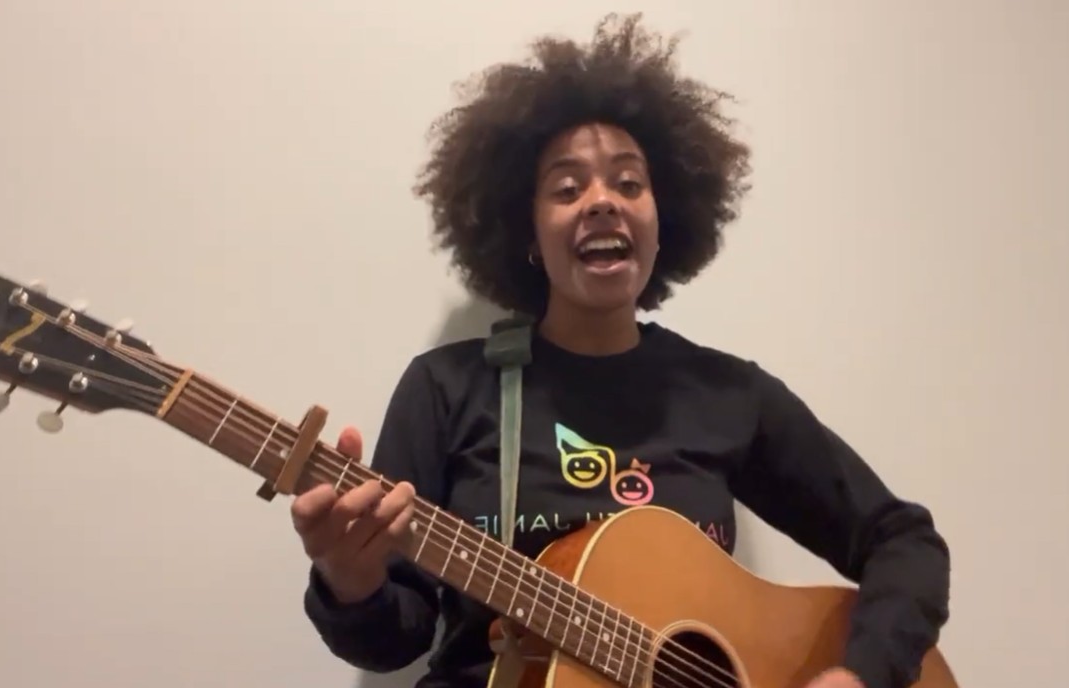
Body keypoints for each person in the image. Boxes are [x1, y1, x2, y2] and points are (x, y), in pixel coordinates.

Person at [289, 13, 950, 688]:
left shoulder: (727, 396)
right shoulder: (448, 389)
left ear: (665, 222)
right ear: (527, 232)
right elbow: (392, 642)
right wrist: (349, 578)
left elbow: (903, 542)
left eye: (628, 183)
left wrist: (862, 676)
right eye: (566, 188)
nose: (601, 202)